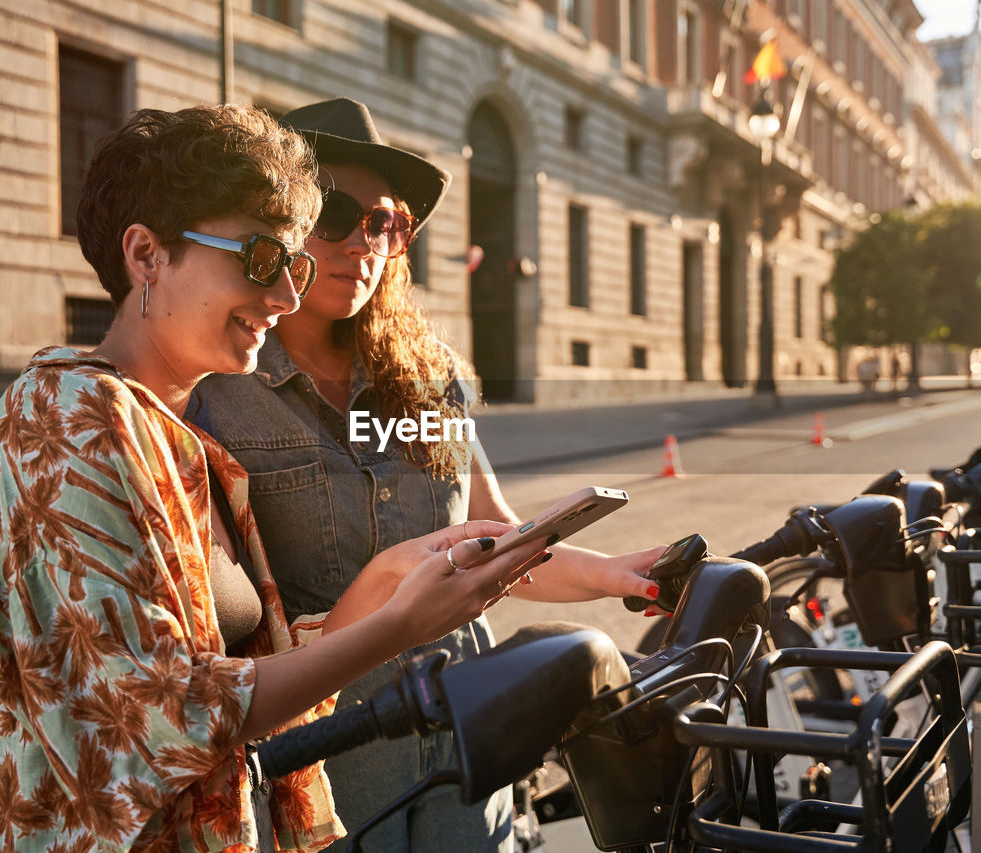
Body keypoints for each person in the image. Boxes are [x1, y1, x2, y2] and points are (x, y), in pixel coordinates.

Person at [0, 104, 548, 853]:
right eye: (262, 259)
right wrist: (396, 626)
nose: (288, 297)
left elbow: (232, 668)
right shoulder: (64, 422)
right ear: (146, 256)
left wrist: (369, 598)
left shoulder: (191, 445)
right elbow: (151, 720)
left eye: (293, 265)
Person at [190, 98, 664, 852]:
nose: (363, 243)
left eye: (387, 222)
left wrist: (619, 573)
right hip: (325, 758)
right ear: (279, 224)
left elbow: (496, 539)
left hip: (468, 734)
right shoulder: (214, 388)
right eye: (336, 213)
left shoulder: (431, 377)